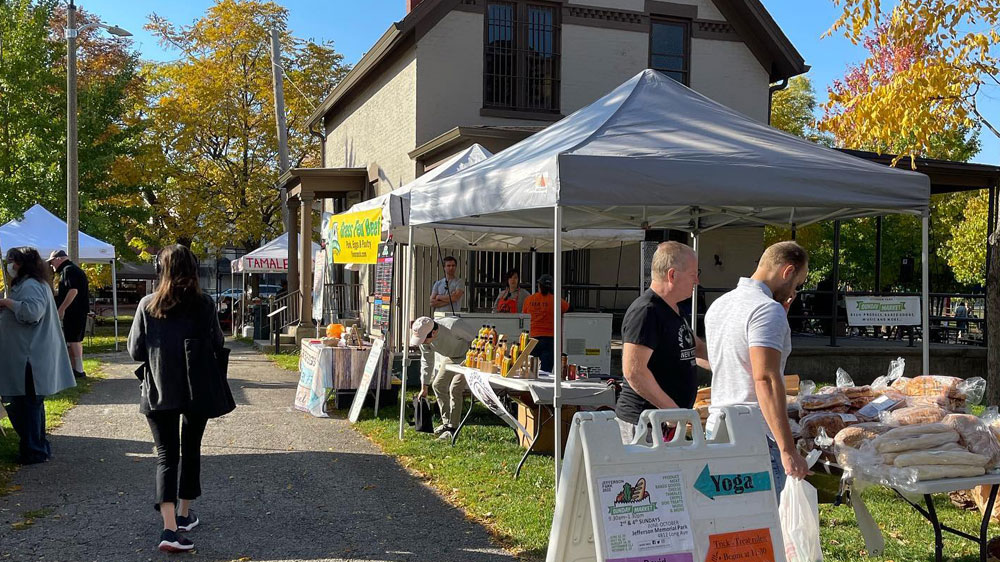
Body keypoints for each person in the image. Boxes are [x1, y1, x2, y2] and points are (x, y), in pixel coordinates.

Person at [128, 245, 225, 553]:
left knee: (166, 455)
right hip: (197, 388)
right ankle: (184, 514)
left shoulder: (147, 305)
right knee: (192, 447)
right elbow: (217, 342)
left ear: (162, 269)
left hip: (159, 388)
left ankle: (169, 528)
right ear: (194, 269)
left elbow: (135, 351)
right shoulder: (205, 304)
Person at [704, 241, 811, 501]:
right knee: (765, 526)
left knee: (727, 523)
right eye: (798, 283)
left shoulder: (720, 304)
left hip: (717, 425)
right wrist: (788, 450)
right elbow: (765, 378)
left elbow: (736, 360)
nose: (795, 290)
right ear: (787, 272)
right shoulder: (766, 309)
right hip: (754, 434)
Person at [615, 242, 710, 443]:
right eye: (693, 274)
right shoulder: (646, 312)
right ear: (672, 275)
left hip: (667, 421)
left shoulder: (674, 309)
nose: (698, 281)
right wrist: (671, 411)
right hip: (645, 423)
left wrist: (734, 369)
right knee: (645, 475)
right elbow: (634, 371)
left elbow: (697, 349)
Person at [0, 247, 75, 464]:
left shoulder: (31, 285)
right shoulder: (35, 283)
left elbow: (32, 313)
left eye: (11, 261)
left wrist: (7, 303)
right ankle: (38, 447)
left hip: (29, 358)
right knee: (31, 404)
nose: (9, 265)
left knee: (23, 405)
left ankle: (34, 450)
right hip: (30, 355)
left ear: (20, 263)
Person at [410, 315, 476, 441]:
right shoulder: (425, 339)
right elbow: (426, 361)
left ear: (434, 332)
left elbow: (476, 339)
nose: (422, 342)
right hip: (451, 357)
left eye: (424, 339)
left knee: (455, 388)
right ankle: (446, 424)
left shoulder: (454, 325)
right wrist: (424, 387)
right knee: (437, 385)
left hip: (468, 356)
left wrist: (473, 359)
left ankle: (453, 429)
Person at [48, 250, 90, 378]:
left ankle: (78, 370)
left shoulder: (68, 270)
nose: (51, 265)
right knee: (72, 340)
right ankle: (74, 368)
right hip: (78, 310)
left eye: (52, 261)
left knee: (73, 340)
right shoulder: (71, 269)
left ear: (59, 259)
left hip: (75, 311)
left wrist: (61, 309)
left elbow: (73, 291)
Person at [522, 274, 569, 373]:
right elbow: (569, 308)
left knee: (531, 370)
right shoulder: (556, 300)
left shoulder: (529, 300)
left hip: (532, 338)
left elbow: (524, 315)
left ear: (539, 285)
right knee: (546, 372)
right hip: (550, 339)